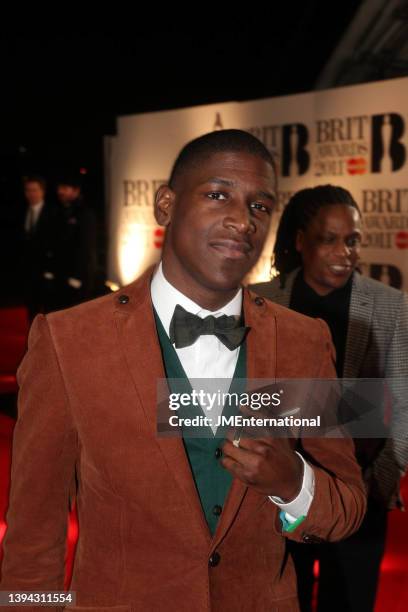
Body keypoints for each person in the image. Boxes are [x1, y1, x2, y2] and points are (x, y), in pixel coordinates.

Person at [0, 133, 366, 611]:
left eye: (259, 206)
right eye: (218, 195)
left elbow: (347, 507)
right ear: (165, 204)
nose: (242, 220)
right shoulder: (68, 341)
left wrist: (292, 484)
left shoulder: (303, 342)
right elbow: (33, 533)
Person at [251, 184, 408, 612]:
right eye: (329, 239)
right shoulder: (258, 301)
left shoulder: (392, 307)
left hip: (361, 491)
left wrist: (377, 483)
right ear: (301, 242)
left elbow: (406, 407)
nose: (345, 252)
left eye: (353, 240)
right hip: (277, 490)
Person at [54, 175, 97, 309]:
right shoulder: (60, 211)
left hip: (79, 277)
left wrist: (77, 277)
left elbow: (86, 247)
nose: (60, 191)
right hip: (62, 275)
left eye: (65, 188)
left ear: (76, 190)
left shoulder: (85, 213)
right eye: (59, 188)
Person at [19, 175, 59, 318]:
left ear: (42, 192)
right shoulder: (21, 211)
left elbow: (57, 242)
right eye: (28, 190)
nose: (31, 194)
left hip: (48, 271)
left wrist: (51, 270)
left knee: (49, 309)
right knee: (31, 307)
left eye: (34, 190)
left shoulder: (54, 212)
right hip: (28, 271)